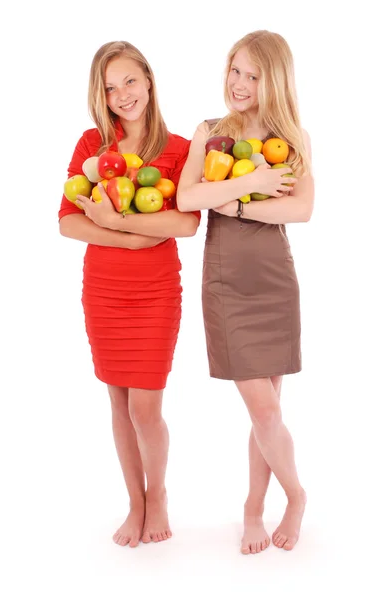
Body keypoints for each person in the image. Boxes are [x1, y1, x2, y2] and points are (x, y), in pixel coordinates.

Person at [177, 30, 314, 554]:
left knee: (268, 411)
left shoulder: (293, 137)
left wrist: (229, 203)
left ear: (273, 80)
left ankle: (255, 507)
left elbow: (300, 210)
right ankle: (297, 495)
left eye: (252, 75)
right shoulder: (209, 131)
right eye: (235, 70)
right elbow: (191, 195)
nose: (239, 83)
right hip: (227, 283)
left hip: (274, 280)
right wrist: (250, 182)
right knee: (264, 410)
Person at [58, 41, 200, 548]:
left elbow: (184, 221)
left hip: (155, 291)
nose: (122, 95)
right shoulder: (92, 147)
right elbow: (68, 224)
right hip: (104, 289)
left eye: (129, 81)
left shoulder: (180, 148)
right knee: (118, 403)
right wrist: (133, 234)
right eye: (110, 87)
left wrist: (113, 218)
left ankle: (157, 494)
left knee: (146, 409)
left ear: (149, 80)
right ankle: (134, 502)